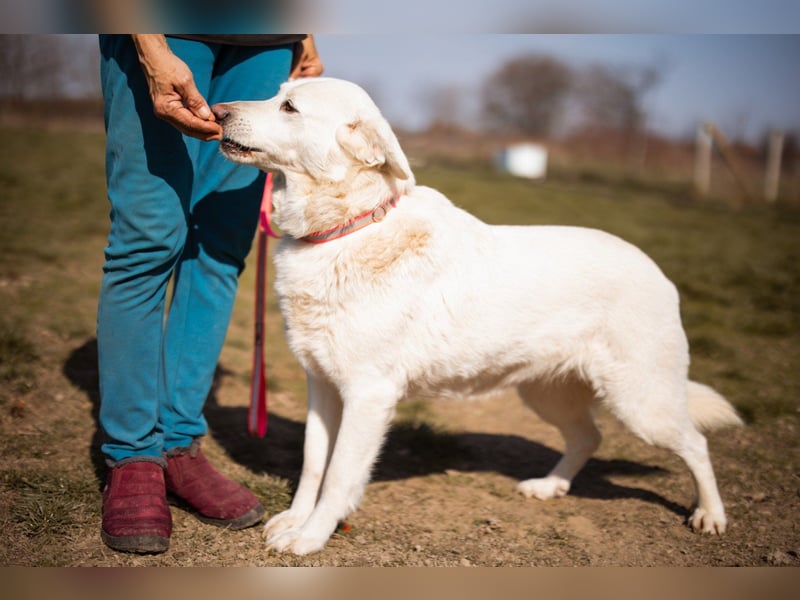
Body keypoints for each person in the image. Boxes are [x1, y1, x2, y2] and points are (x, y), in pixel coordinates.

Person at [97, 34, 323, 554]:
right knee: (149, 238)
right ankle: (133, 453)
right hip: (166, 27)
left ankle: (178, 442)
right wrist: (150, 49)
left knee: (220, 247)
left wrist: (303, 31)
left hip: (265, 39)